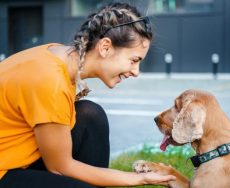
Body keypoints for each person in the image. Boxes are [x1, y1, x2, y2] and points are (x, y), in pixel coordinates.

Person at [0, 2, 176, 188]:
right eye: (133, 60)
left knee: (90, 114)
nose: (136, 71)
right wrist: (139, 178)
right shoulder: (50, 81)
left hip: (17, 156)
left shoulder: (58, 55)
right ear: (105, 47)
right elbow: (60, 167)